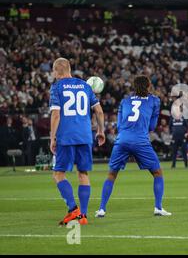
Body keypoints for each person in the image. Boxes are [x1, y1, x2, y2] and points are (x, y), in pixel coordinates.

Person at [96, 75, 171, 218]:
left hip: (122, 139)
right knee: (157, 173)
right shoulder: (154, 101)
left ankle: (101, 209)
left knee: (112, 175)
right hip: (140, 140)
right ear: (149, 86)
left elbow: (119, 125)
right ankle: (158, 208)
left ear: (134, 87)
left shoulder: (125, 101)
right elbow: (152, 126)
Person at [49, 58, 105, 226]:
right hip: (85, 136)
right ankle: (83, 215)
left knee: (58, 174)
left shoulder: (57, 87)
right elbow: (99, 111)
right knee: (83, 174)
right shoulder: (85, 86)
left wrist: (52, 137)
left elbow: (56, 114)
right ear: (69, 69)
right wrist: (101, 131)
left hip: (66, 137)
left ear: (57, 71)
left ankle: (73, 209)